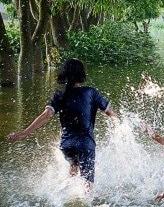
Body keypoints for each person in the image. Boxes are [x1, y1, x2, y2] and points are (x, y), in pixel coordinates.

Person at [7, 58, 118, 190]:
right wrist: (124, 124)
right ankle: (86, 203)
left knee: (73, 166)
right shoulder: (91, 92)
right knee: (88, 184)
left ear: (64, 73)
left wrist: (23, 133)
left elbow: (46, 115)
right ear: (82, 74)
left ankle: (67, 193)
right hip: (85, 143)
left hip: (66, 144)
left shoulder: (59, 94)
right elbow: (111, 113)